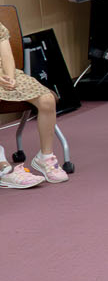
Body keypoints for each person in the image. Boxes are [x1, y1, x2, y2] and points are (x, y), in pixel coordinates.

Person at [0, 16, 66, 189]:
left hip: (5, 75)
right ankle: (3, 167)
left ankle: (45, 157)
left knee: (47, 100)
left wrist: (10, 77)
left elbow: (6, 54)